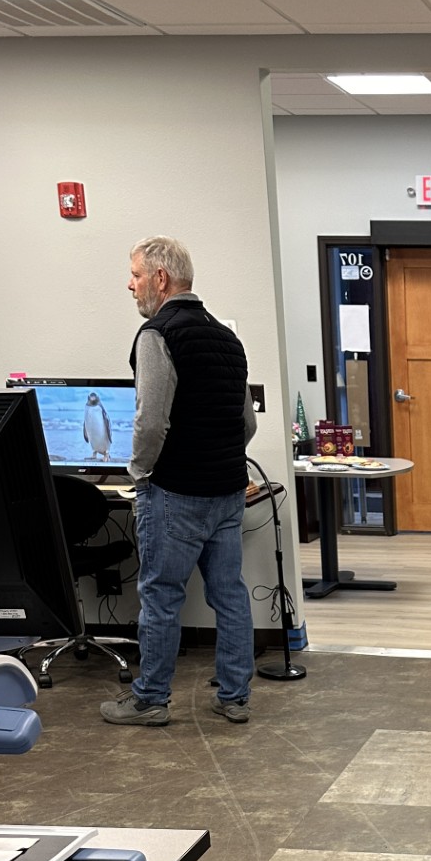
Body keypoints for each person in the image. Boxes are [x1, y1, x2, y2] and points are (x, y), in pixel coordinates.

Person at [100, 235, 258, 728]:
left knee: (162, 597)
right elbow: (247, 424)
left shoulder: (157, 334)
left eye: (135, 275)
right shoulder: (228, 339)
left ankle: (150, 700)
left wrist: (139, 474)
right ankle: (234, 695)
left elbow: (150, 422)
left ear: (161, 279)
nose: (130, 285)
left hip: (175, 495)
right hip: (228, 490)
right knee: (229, 594)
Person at [82, 390, 112, 460]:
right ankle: (94, 452)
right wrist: (85, 432)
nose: (92, 399)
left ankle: (106, 453)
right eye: (91, 398)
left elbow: (107, 424)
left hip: (105, 442)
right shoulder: (87, 408)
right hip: (93, 443)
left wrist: (109, 437)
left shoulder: (100, 409)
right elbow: (86, 423)